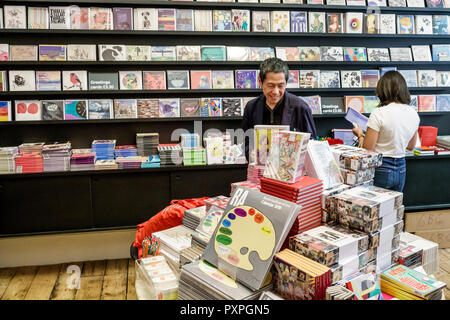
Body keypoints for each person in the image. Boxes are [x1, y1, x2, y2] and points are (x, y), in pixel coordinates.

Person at [352, 71, 420, 192]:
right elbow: (411, 146)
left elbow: (368, 148)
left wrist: (359, 135)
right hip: (401, 167)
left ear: (383, 90)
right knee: (393, 207)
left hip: (381, 167)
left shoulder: (379, 113)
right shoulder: (413, 113)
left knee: (377, 208)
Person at [242, 57, 317, 160]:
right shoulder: (251, 107)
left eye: (281, 86)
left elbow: (312, 145)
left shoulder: (300, 108)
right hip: (260, 172)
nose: (276, 92)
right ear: (260, 81)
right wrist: (251, 153)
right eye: (271, 86)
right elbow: (246, 142)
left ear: (286, 83)